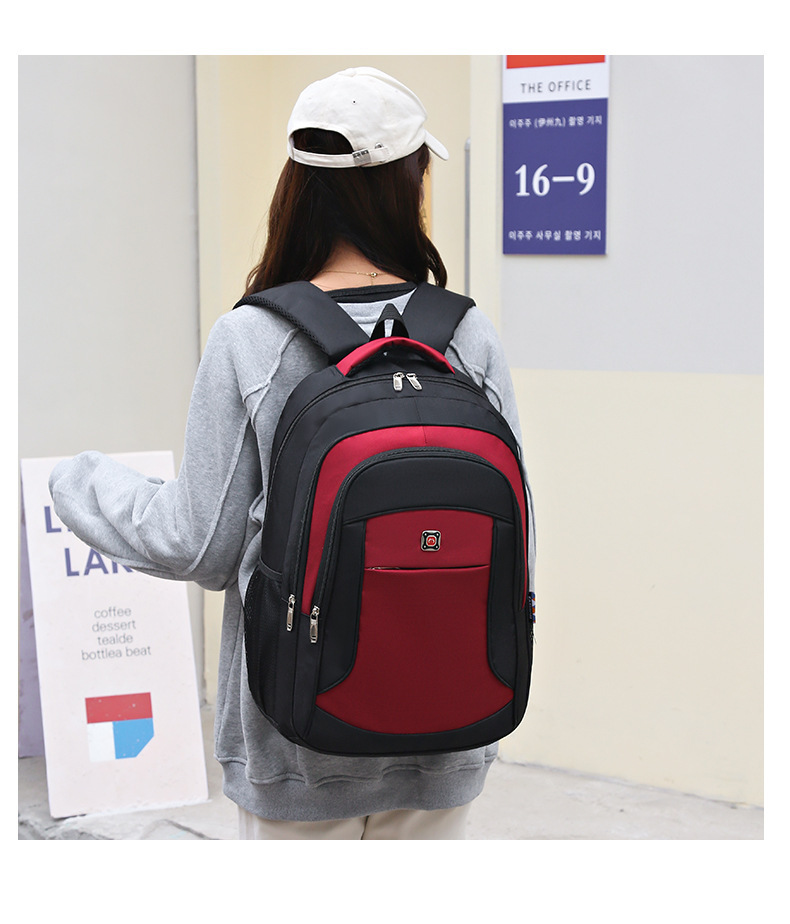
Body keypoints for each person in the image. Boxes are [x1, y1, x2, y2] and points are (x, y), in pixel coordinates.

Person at [49, 66, 535, 840]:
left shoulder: (252, 337)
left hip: (299, 740)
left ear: (297, 186)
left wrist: (78, 482)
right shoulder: (467, 334)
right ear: (410, 182)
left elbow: (195, 544)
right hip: (450, 734)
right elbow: (515, 534)